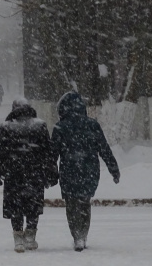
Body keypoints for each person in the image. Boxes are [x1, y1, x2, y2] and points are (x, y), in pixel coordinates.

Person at [51, 91, 120, 252]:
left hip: (68, 171)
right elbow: (104, 149)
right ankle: (82, 234)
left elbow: (52, 153)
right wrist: (113, 169)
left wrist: (49, 172)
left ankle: (76, 236)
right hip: (89, 171)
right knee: (84, 203)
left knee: (71, 204)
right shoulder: (92, 125)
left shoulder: (60, 127)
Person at [0, 98, 57, 253]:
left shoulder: (6, 127)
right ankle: (31, 236)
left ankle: (18, 238)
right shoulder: (39, 125)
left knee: (15, 205)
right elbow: (48, 151)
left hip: (13, 173)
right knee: (33, 204)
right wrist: (51, 171)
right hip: (34, 172)